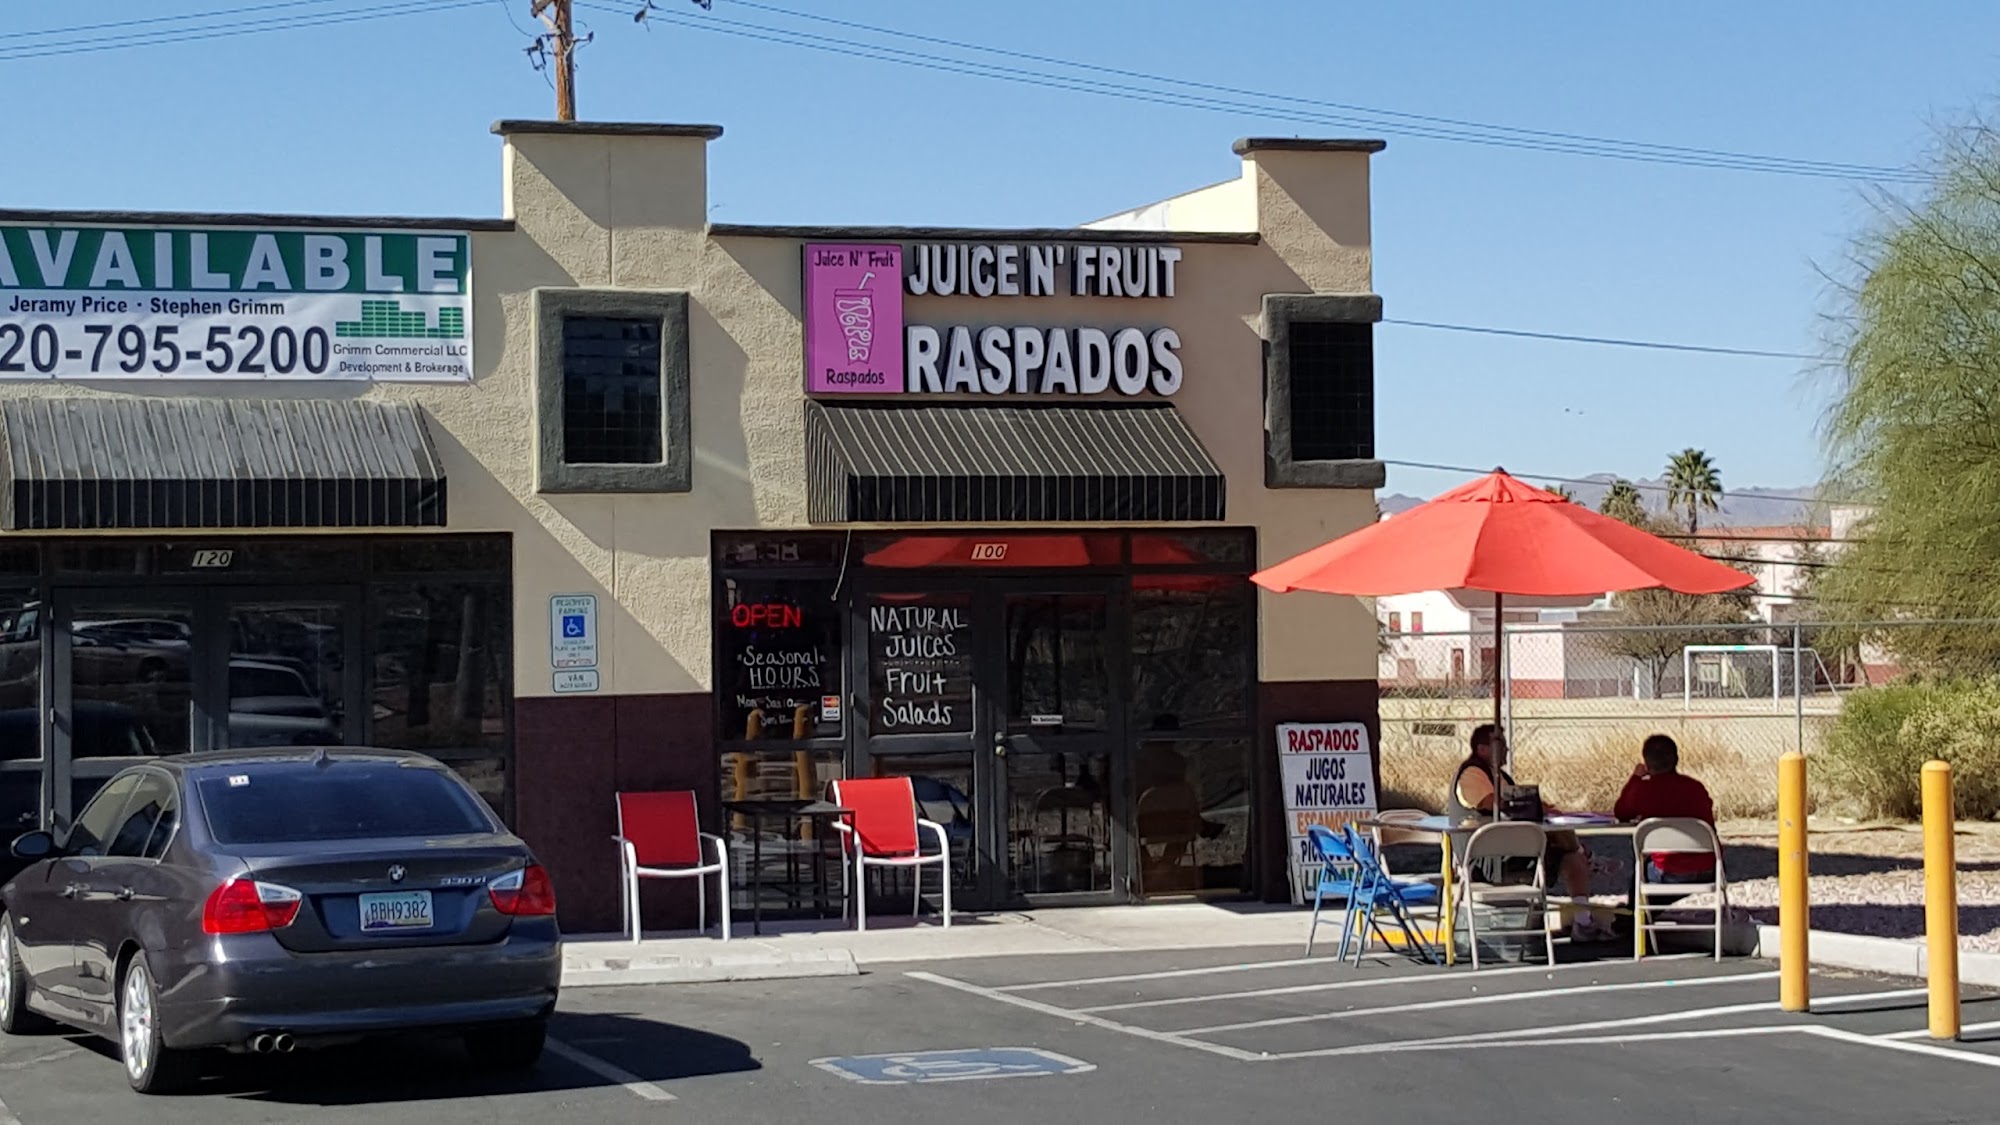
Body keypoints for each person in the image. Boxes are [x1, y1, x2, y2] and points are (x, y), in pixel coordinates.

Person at [1445, 723, 1615, 943]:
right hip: (1487, 860)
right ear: (1482, 749)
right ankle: (1589, 860)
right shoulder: (1471, 774)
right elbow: (1492, 802)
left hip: (1512, 852)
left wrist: (1542, 807)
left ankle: (1583, 922)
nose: (1506, 749)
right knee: (1568, 847)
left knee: (1571, 856)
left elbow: (1516, 802)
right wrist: (1528, 804)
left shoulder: (1500, 776)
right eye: (1500, 744)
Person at [1614, 733, 1718, 885]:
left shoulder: (1644, 790)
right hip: (1708, 869)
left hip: (1666, 871)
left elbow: (1621, 813)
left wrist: (1635, 779)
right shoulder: (1696, 788)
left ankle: (1637, 907)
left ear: (1647, 764)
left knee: (1642, 864)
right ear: (1676, 759)